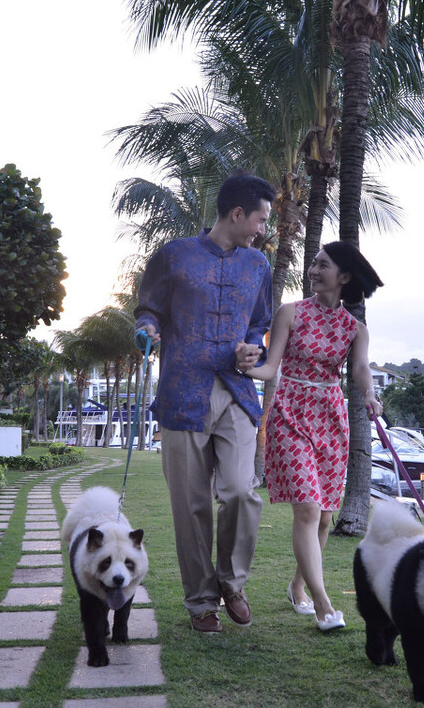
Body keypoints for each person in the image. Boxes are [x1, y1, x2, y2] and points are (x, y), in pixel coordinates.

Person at [135, 173, 275, 634]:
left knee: (240, 490)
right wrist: (148, 329)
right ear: (237, 214)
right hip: (182, 393)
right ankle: (201, 603)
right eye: (260, 219)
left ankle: (232, 582)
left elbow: (259, 323)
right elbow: (149, 307)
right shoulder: (174, 255)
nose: (262, 229)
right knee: (190, 504)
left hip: (236, 392)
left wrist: (252, 347)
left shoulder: (258, 266)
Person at [244, 241, 383, 631]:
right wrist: (243, 370)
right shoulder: (290, 313)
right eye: (314, 263)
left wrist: (370, 395)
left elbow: (359, 372)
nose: (314, 269)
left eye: (324, 265)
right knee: (306, 508)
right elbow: (271, 368)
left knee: (323, 518)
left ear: (344, 277)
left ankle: (298, 587)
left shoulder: (355, 329)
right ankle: (323, 602)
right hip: (290, 411)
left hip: (331, 417)